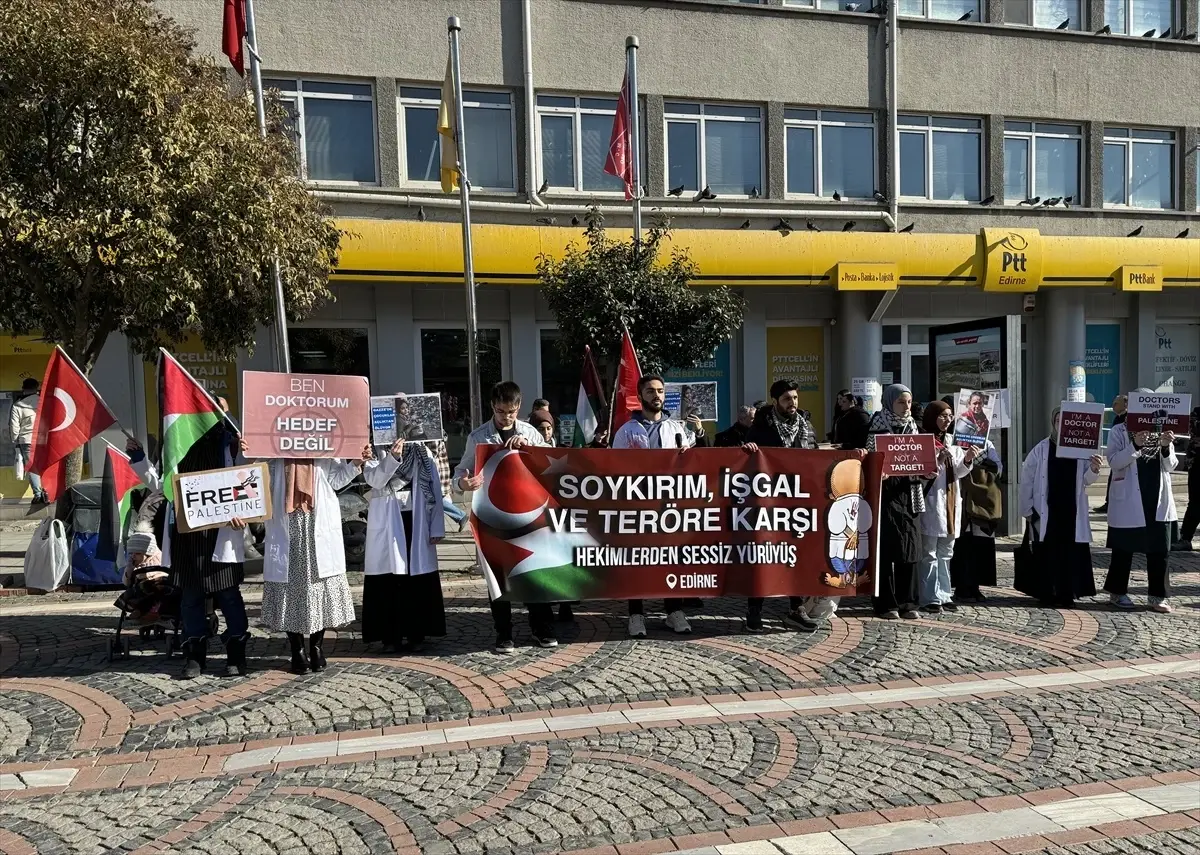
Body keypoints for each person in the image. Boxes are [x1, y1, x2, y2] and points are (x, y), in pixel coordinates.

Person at [127, 410, 249, 680]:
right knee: (191, 598)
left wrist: (246, 513)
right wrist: (138, 458)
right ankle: (194, 654)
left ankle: (236, 653)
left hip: (222, 532)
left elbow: (248, 479)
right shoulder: (178, 442)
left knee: (229, 595)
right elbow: (161, 484)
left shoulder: (230, 441)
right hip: (186, 534)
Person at [455, 381, 557, 652]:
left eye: (511, 412)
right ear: (492, 406)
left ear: (519, 407)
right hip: (491, 517)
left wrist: (529, 450)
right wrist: (464, 483)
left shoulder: (530, 432)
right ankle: (504, 634)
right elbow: (460, 471)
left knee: (534, 572)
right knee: (496, 577)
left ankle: (542, 629)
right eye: (501, 411)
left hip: (529, 516)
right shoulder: (478, 437)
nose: (506, 417)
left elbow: (549, 466)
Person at [612, 374, 708, 637]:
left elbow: (697, 463)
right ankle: (636, 613)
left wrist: (696, 439)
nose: (657, 395)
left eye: (661, 391)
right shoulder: (626, 432)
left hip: (670, 508)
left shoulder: (677, 429)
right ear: (640, 395)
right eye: (651, 391)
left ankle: (673, 610)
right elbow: (614, 470)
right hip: (638, 507)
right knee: (638, 561)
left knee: (671, 559)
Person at [258, 448, 362, 673]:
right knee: (289, 587)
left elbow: (336, 479)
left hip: (318, 522)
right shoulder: (272, 444)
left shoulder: (323, 443)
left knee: (319, 584)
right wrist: (250, 450)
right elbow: (258, 477)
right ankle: (297, 650)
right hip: (287, 524)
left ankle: (316, 647)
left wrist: (355, 461)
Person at [742, 380, 822, 632]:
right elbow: (745, 457)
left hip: (798, 503)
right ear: (776, 401)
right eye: (787, 399)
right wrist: (749, 449)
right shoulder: (761, 427)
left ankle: (796, 608)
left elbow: (816, 456)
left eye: (795, 398)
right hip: (767, 503)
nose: (793, 403)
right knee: (763, 555)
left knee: (796, 554)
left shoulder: (806, 426)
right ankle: (754, 610)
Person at [361, 439, 446, 653]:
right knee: (389, 578)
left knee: (416, 578)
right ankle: (390, 636)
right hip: (388, 518)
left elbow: (434, 487)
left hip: (417, 517)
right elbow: (374, 480)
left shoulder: (421, 450)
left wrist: (437, 526)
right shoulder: (373, 449)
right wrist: (393, 459)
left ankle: (417, 633)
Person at [1017, 408, 1102, 608]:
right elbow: (1027, 478)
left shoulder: (1081, 450)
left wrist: (1095, 468)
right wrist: (1027, 509)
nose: (1061, 424)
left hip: (1072, 511)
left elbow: (1087, 480)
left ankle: (1066, 593)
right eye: (1057, 420)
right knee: (1048, 553)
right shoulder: (1041, 448)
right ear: (1052, 423)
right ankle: (1047, 593)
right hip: (1047, 510)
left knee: (1069, 554)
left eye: (1065, 420)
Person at [1103, 394, 1178, 613]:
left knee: (1160, 550)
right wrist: (1135, 445)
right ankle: (1117, 592)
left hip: (1157, 499)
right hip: (1129, 498)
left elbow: (1171, 465)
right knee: (1123, 548)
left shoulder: (1161, 430)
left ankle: (1158, 596)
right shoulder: (1119, 430)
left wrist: (1165, 446)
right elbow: (1114, 462)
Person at [865, 385, 924, 620]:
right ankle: (885, 604)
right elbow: (868, 460)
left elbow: (920, 460)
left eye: (909, 402)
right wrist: (878, 470)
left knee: (909, 547)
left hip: (909, 493)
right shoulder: (877, 425)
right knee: (885, 550)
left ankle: (908, 602)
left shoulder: (913, 427)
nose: (906, 406)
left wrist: (926, 470)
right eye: (901, 402)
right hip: (885, 493)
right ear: (890, 402)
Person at [917, 401, 975, 614]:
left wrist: (968, 460)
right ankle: (929, 595)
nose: (947, 420)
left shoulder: (953, 441)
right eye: (942, 416)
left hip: (950, 503)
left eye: (950, 416)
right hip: (932, 503)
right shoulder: (923, 441)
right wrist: (938, 459)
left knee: (946, 553)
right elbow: (921, 474)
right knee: (929, 552)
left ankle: (944, 594)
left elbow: (958, 472)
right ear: (932, 417)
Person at [950, 436, 1003, 603]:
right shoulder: (954, 440)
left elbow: (998, 468)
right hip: (962, 497)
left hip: (980, 502)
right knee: (962, 545)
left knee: (979, 546)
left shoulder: (986, 443)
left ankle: (976, 586)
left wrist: (983, 463)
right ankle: (961, 586)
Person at [9, 378, 46, 504]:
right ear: (36, 388)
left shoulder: (18, 405)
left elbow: (14, 427)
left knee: (32, 467)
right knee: (44, 465)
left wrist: (15, 441)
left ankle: (38, 494)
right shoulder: (44, 402)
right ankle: (48, 492)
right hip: (44, 438)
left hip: (27, 440)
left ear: (23, 389)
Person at [1171, 404, 1200, 551]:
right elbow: (1191, 429)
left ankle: (1185, 537)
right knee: (1195, 502)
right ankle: (1185, 538)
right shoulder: (1196, 413)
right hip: (1197, 464)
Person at [1096, 395, 1127, 514]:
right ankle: (1109, 502)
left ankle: (1111, 502)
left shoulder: (1126, 419)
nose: (1113, 405)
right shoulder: (1117, 418)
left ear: (1125, 405)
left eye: (1116, 403)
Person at [433, 439, 469, 533]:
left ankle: (461, 515)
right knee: (438, 501)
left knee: (435, 500)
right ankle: (460, 516)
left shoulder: (434, 438)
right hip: (439, 475)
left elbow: (432, 456)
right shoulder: (439, 436)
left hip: (437, 476)